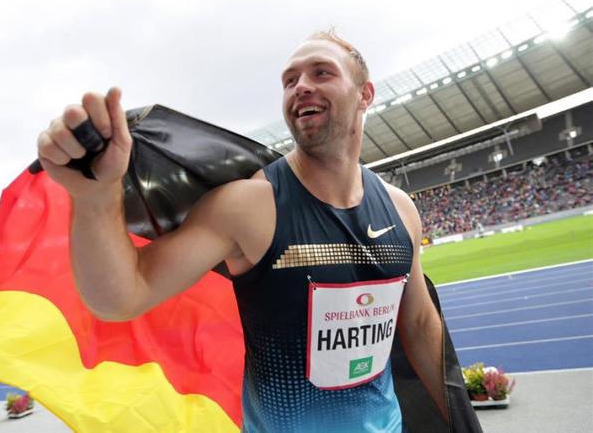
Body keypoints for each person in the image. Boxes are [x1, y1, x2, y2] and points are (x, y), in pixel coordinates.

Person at [37, 30, 449, 432]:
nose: (301, 86)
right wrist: (96, 197)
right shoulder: (248, 206)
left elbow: (419, 325)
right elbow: (123, 295)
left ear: (364, 94)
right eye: (290, 80)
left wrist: (458, 419)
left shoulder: (401, 210)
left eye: (321, 72)